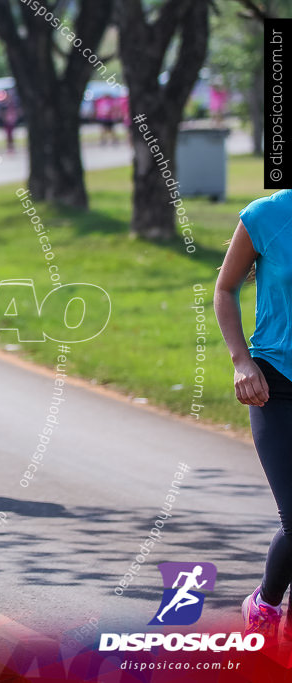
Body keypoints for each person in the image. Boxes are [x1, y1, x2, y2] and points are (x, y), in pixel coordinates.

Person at [215, 191, 292, 640]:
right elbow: (225, 289)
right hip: (275, 385)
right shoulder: (267, 215)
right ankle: (264, 603)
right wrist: (242, 361)